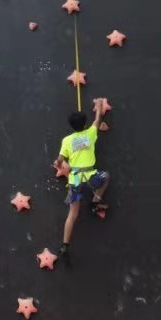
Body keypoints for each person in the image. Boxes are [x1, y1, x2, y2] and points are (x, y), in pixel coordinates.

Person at [54, 98, 110, 258]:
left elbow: (59, 160)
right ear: (84, 124)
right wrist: (98, 105)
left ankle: (65, 245)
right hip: (91, 178)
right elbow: (97, 120)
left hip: (76, 181)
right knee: (106, 177)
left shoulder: (66, 141)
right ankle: (95, 202)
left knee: (72, 214)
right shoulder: (90, 133)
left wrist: (59, 164)